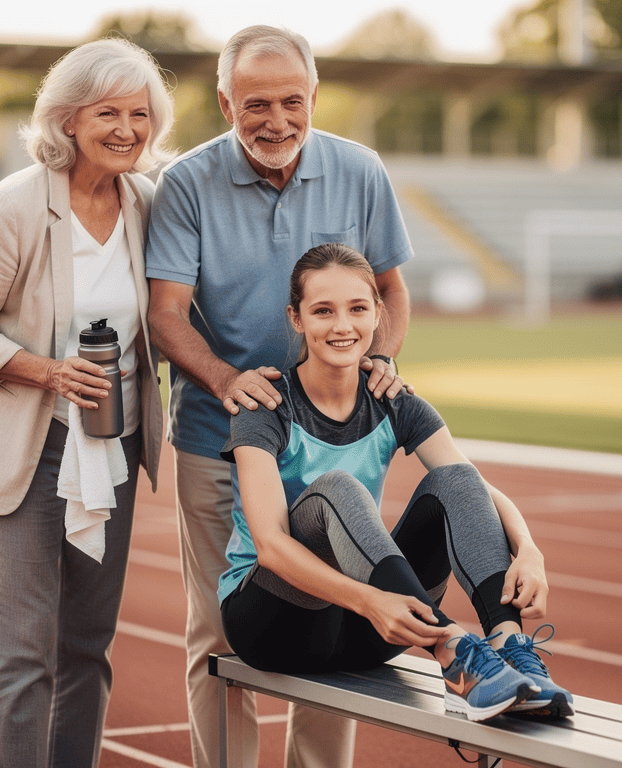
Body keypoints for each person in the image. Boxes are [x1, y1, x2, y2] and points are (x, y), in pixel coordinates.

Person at [145, 24, 412, 768]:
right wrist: (227, 380)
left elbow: (389, 288)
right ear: (225, 101)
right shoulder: (186, 183)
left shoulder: (361, 170)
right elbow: (165, 313)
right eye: (255, 103)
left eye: (292, 101)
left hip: (330, 441)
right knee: (220, 633)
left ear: (316, 97)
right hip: (216, 437)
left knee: (329, 613)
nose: (276, 120)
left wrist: (380, 357)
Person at [0, 38, 174, 768]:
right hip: (25, 446)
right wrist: (47, 371)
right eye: (109, 112)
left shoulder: (145, 201)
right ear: (68, 119)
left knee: (87, 648)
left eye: (140, 113)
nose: (127, 128)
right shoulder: (13, 206)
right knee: (23, 653)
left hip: (115, 444)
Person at [221, 243, 574, 724]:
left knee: (453, 477)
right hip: (276, 622)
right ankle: (452, 649)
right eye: (323, 310)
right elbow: (269, 545)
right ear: (297, 318)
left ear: (377, 314)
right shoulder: (265, 405)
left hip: (372, 630)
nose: (342, 326)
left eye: (357, 308)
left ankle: (507, 646)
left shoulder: (393, 399)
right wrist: (371, 600)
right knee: (337, 487)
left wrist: (529, 549)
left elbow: (472, 488)